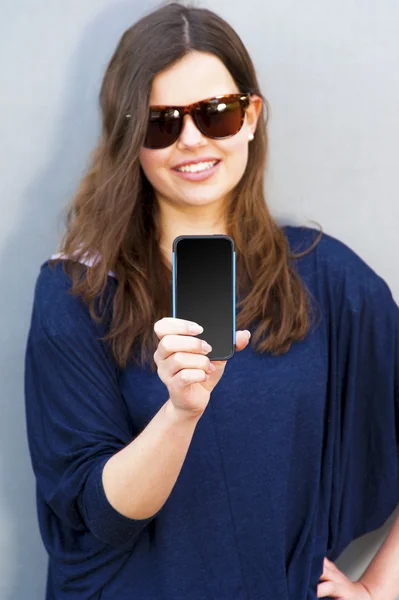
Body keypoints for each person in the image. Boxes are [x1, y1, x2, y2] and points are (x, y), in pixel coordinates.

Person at [24, 2, 399, 599]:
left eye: (216, 114)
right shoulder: (78, 292)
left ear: (250, 116)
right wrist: (180, 412)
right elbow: (102, 514)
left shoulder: (325, 276)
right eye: (161, 123)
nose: (192, 141)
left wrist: (381, 589)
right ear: (130, 139)